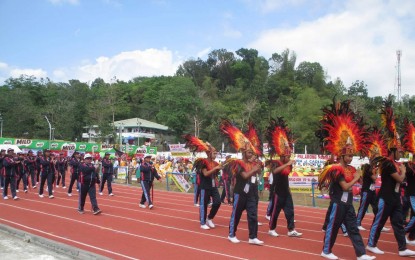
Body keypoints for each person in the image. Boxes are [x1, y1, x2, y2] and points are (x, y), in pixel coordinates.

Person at [316, 98, 374, 260]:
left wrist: (360, 178)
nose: (351, 157)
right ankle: (326, 251)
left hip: (348, 204)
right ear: (342, 154)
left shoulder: (351, 168)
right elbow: (345, 186)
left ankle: (361, 254)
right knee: (333, 228)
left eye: (352, 154)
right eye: (349, 155)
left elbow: (356, 184)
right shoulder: (336, 169)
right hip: (338, 203)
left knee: (353, 228)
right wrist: (357, 178)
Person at [366, 98, 415, 257]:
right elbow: (400, 179)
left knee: (398, 223)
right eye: (399, 151)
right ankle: (371, 244)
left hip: (395, 198)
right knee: (379, 222)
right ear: (393, 151)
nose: (401, 153)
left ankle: (402, 248)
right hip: (385, 198)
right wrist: (403, 171)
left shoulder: (395, 162)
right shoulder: (388, 163)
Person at [220, 119, 264, 245]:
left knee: (253, 215)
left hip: (250, 193)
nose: (252, 154)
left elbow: (257, 175)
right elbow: (244, 176)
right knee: (236, 215)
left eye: (253, 152)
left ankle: (253, 237)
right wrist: (255, 169)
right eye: (250, 152)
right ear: (244, 153)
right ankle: (231, 234)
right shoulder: (237, 163)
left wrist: (257, 168)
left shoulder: (253, 164)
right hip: (240, 193)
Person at [266, 117, 302, 238]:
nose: (289, 157)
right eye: (287, 155)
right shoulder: (276, 163)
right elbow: (275, 172)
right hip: (277, 193)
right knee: (275, 212)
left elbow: (286, 177)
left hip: (286, 192)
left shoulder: (288, 166)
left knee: (290, 211)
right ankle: (271, 229)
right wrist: (287, 164)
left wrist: (289, 190)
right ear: (282, 156)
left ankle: (291, 229)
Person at [183, 134, 222, 230]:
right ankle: (203, 222)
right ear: (209, 153)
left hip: (213, 186)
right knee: (203, 204)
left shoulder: (216, 163)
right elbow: (205, 174)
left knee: (217, 202)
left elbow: (215, 174)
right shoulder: (202, 162)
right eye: (214, 153)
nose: (215, 155)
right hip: (205, 186)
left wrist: (220, 168)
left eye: (216, 153)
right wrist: (216, 168)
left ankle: (210, 218)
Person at [356, 128, 387, 231]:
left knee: (377, 208)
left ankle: (378, 224)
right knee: (363, 208)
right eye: (374, 157)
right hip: (366, 191)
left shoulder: (373, 167)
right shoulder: (368, 167)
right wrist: (377, 170)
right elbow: (374, 178)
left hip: (372, 191)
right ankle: (357, 223)